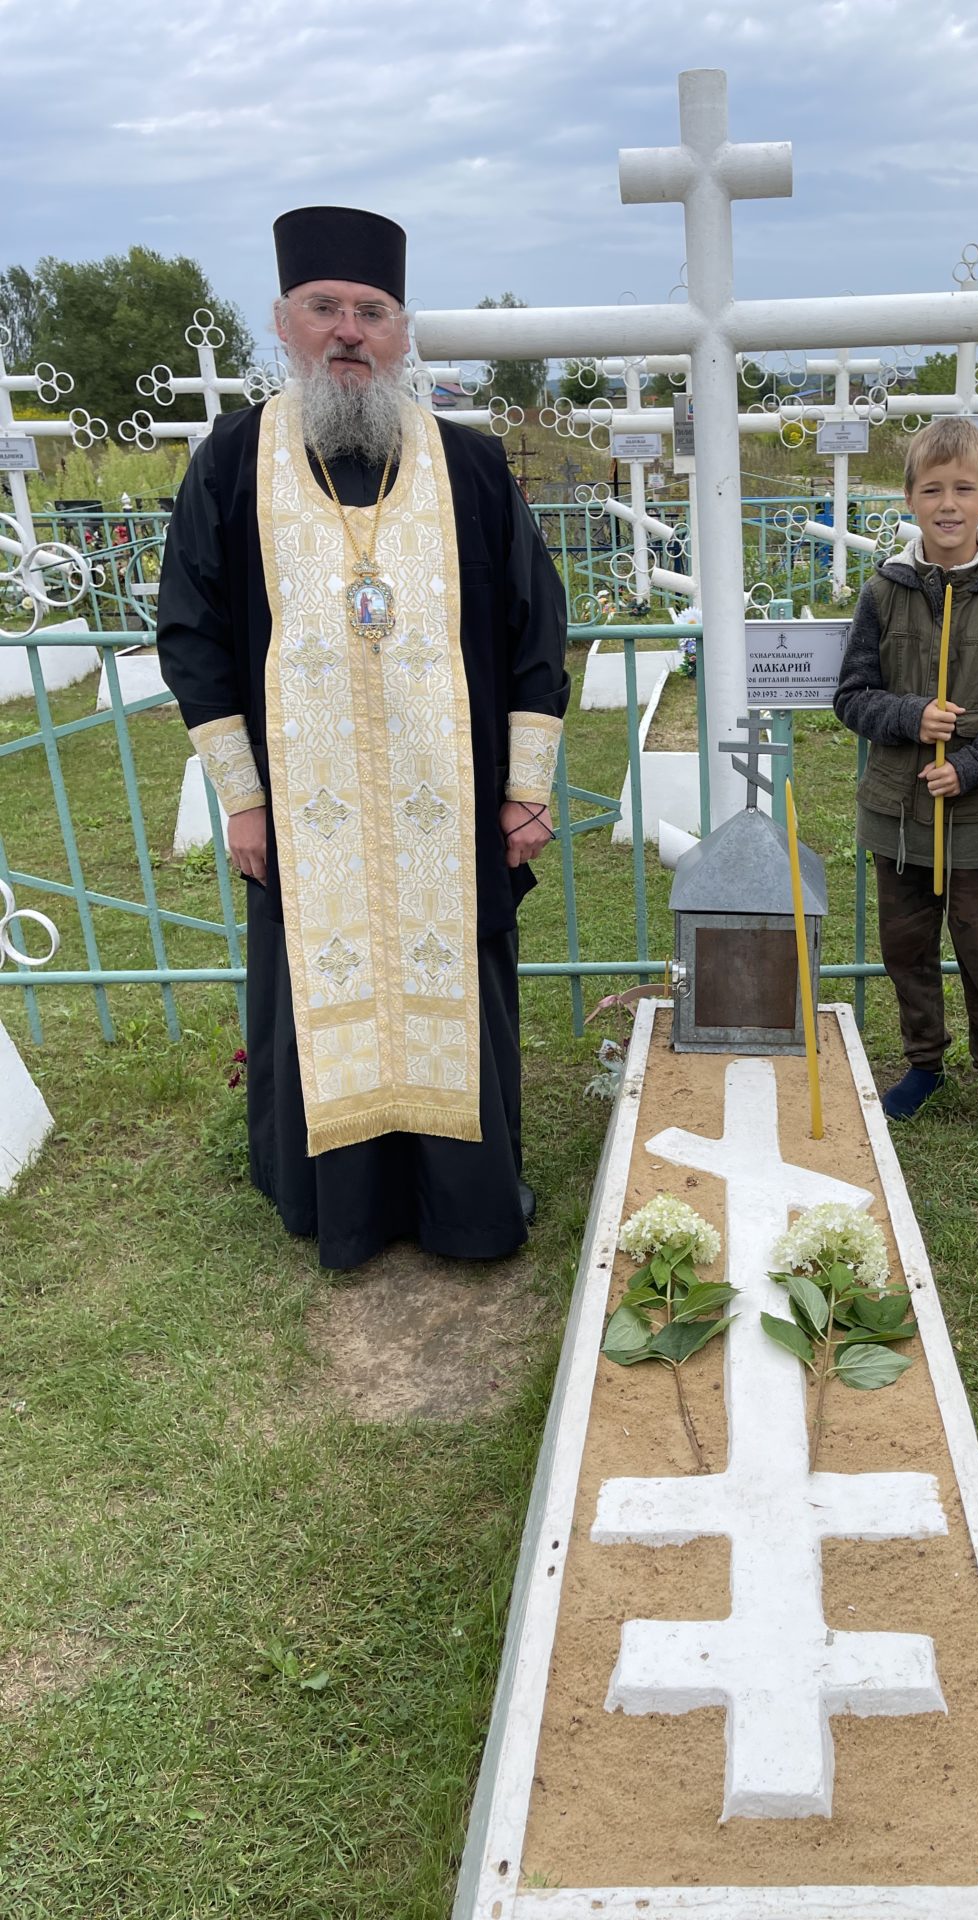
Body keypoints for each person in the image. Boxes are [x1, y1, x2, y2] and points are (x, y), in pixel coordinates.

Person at [157, 205, 569, 1268]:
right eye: (326, 307)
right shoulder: (233, 463)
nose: (350, 330)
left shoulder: (469, 468)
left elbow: (537, 623)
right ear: (285, 323)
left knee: (458, 994)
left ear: (402, 330)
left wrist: (525, 789)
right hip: (307, 811)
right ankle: (338, 1211)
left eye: (372, 311)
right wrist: (242, 798)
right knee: (315, 991)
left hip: (449, 806)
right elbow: (192, 632)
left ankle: (466, 1207)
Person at [833, 417, 978, 1133]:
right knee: (907, 949)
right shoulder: (884, 590)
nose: (948, 503)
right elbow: (851, 696)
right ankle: (924, 1062)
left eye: (964, 487)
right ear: (909, 499)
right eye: (932, 489)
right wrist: (909, 717)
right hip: (897, 812)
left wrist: (968, 765)